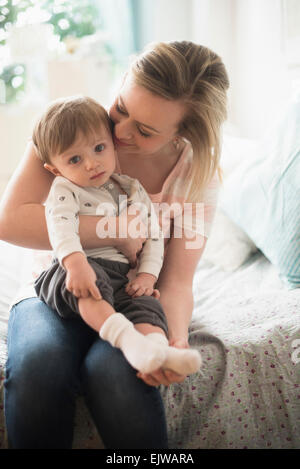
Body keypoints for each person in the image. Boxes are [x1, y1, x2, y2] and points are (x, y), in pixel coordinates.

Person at [0, 40, 229, 449]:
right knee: (39, 364)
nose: (119, 132)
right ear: (123, 79)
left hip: (132, 293)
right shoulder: (71, 126)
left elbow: (176, 281)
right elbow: (9, 221)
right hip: (54, 287)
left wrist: (174, 341)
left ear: (183, 134)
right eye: (121, 107)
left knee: (117, 372)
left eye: (144, 131)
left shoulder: (196, 177)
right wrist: (114, 229)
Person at [32, 95, 202, 376]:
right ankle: (128, 340)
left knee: (146, 302)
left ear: (112, 145)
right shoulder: (65, 189)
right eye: (75, 159)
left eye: (99, 148)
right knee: (91, 283)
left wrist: (147, 275)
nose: (91, 164)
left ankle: (158, 350)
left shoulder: (131, 189)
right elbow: (60, 226)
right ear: (55, 169)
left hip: (122, 278)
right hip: (73, 269)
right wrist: (75, 264)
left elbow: (153, 236)